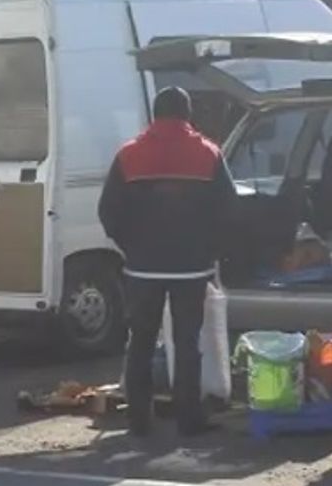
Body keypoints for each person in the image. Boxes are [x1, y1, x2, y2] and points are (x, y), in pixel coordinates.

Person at [99, 87, 238, 437]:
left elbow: (109, 210)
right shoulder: (208, 153)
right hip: (192, 266)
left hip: (142, 267)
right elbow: (228, 209)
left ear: (155, 114)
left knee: (141, 343)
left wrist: (131, 246)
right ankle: (189, 419)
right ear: (187, 114)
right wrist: (212, 250)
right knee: (187, 343)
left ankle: (138, 421)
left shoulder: (129, 154)